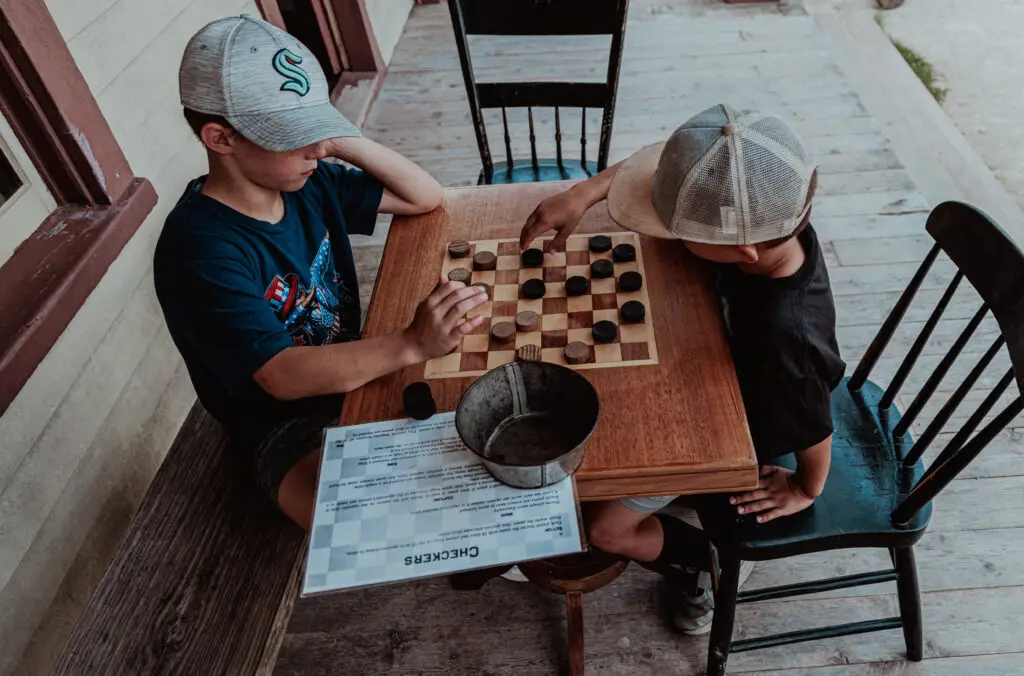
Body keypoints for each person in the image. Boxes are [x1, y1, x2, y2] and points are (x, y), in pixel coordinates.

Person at [519, 104, 846, 633]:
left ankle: (703, 562)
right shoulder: (768, 209)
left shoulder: (788, 340)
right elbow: (667, 171)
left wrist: (808, 487)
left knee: (606, 529)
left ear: (738, 250)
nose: (663, 230)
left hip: (731, 425)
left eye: (676, 227)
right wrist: (583, 192)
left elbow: (814, 418)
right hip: (712, 352)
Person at [155, 16, 487, 531]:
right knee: (387, 525)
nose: (317, 149)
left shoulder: (307, 180)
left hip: (359, 360)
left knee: (491, 418)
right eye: (293, 135)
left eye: (319, 129)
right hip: (283, 424)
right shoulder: (199, 250)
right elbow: (282, 378)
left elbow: (425, 196)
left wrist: (332, 135)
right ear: (220, 137)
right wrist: (411, 344)